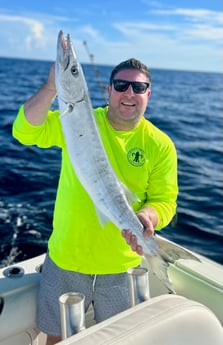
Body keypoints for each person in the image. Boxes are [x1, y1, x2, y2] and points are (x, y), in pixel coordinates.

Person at [12, 57, 178, 344]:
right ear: (108, 90)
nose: (129, 93)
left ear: (148, 93)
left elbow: (165, 201)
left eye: (138, 87)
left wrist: (148, 218)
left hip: (122, 264)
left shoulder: (160, 144)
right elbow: (24, 131)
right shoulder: (76, 118)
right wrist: (53, 87)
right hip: (67, 258)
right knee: (58, 338)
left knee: (118, 339)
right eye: (121, 85)